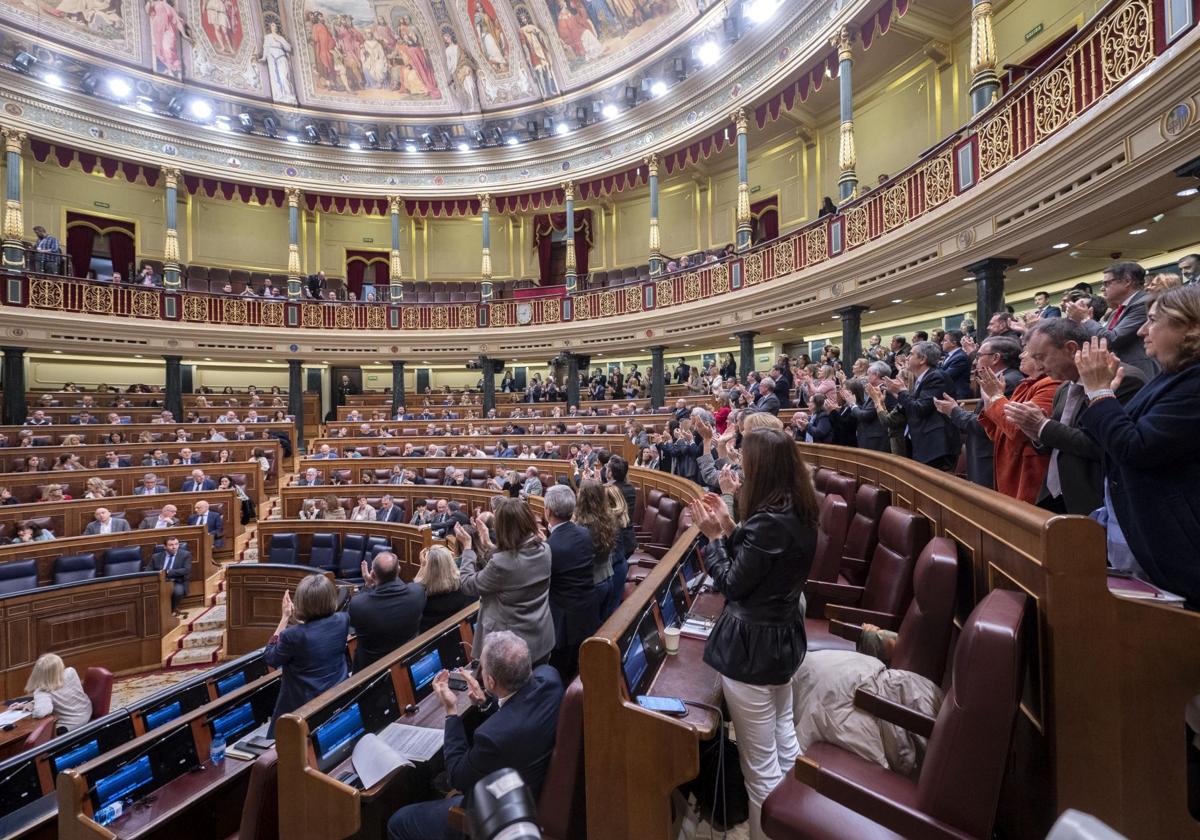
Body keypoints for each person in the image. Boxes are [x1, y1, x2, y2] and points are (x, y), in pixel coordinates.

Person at [687, 427, 819, 840]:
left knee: (759, 770)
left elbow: (731, 582)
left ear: (762, 466)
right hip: (781, 641)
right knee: (784, 743)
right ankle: (798, 825)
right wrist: (728, 524)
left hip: (753, 649)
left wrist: (711, 538)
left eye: (746, 458)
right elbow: (760, 561)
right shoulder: (798, 509)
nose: (740, 462)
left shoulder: (770, 522)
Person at [1075, 285, 1200, 604]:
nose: (1143, 330)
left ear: (1190, 327)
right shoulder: (1171, 376)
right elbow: (1115, 440)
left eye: (1154, 320)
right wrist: (1104, 398)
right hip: (1144, 532)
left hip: (1176, 550)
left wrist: (1101, 393)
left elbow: (1136, 448)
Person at [385, 632, 564, 840]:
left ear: (489, 680)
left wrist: (451, 711)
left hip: (501, 808)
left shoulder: (492, 736)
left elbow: (457, 778)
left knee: (398, 822)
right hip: (533, 783)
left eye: (483, 665)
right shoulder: (550, 678)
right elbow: (516, 713)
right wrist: (486, 703)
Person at [1005, 318, 1145, 514]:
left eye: (1041, 357)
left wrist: (1043, 427)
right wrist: (1036, 433)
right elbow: (1059, 445)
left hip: (1096, 503)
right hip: (1056, 496)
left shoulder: (1122, 379)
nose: (1038, 367)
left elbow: (1103, 445)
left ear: (1071, 349)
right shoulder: (1064, 387)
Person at [454, 499, 554, 665]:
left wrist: (468, 548)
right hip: (541, 637)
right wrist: (487, 544)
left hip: (513, 651)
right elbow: (515, 558)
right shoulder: (545, 549)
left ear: (502, 528)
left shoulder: (502, 565)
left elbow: (467, 584)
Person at [264, 575, 351, 735]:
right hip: (339, 695)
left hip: (304, 708)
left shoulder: (292, 636)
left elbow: (270, 658)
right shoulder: (342, 620)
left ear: (301, 603)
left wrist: (284, 618)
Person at [935, 336, 1024, 488]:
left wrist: (954, 411)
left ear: (995, 358)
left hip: (990, 457)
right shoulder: (1001, 379)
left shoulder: (1007, 382)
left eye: (978, 355)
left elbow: (986, 425)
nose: (975, 361)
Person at [979, 341, 1060, 502]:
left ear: (1042, 358)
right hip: (1011, 470)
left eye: (1026, 351)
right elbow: (998, 433)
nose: (1021, 355)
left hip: (1029, 475)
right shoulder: (1026, 384)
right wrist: (991, 400)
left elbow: (1017, 430)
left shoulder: (1051, 384)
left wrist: (996, 397)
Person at [544, 485, 599, 680]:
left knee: (562, 671)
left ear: (548, 511)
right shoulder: (584, 533)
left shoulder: (550, 547)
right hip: (587, 610)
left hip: (564, 621)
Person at [1066, 262, 1158, 378]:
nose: (1102, 288)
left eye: (1107, 283)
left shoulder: (1144, 303)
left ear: (1127, 281)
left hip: (1139, 374)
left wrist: (1085, 319)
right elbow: (1101, 339)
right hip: (1120, 372)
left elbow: (1111, 339)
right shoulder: (1116, 311)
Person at [886, 341, 960, 470]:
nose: (907, 358)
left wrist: (901, 392)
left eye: (911, 354)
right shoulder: (922, 378)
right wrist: (898, 394)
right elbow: (914, 405)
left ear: (922, 359)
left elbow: (920, 409)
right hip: (924, 443)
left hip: (936, 446)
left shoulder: (936, 377)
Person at [348, 551, 426, 671]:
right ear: (399, 570)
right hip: (408, 661)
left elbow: (354, 622)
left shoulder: (358, 605)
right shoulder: (418, 593)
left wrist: (368, 585)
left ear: (373, 574)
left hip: (371, 671)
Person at [19, 654, 91, 731]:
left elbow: (40, 713)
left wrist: (34, 709)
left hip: (70, 725)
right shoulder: (71, 672)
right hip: (87, 712)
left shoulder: (42, 692)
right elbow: (64, 694)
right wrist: (33, 703)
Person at [415, 545, 478, 632]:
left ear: (426, 569)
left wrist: (422, 567)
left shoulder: (418, 598)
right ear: (451, 564)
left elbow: (416, 585)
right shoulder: (467, 590)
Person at [150, 535, 192, 617]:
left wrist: (168, 572)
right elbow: (148, 571)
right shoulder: (156, 557)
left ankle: (169, 613)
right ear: (165, 547)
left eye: (176, 544)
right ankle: (155, 614)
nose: (174, 547)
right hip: (159, 581)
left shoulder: (186, 555)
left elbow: (186, 570)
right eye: (171, 545)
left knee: (178, 592)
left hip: (177, 581)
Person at [938, 330, 972, 399]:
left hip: (958, 395)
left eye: (945, 341)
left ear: (953, 343)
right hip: (949, 393)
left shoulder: (960, 357)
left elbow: (946, 376)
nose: (941, 343)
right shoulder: (949, 355)